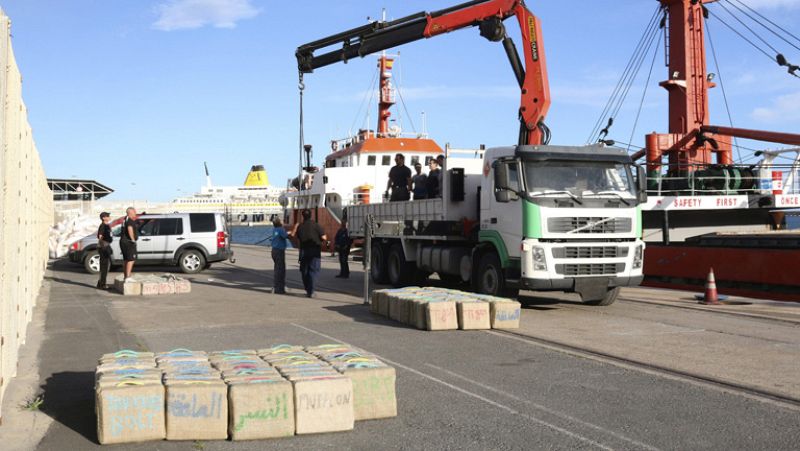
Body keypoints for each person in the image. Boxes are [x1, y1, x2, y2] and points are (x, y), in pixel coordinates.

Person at [294, 209, 327, 298]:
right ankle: (311, 291)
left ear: (302, 216)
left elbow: (297, 237)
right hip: (314, 252)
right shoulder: (316, 225)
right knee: (313, 271)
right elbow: (324, 237)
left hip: (304, 251)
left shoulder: (300, 226)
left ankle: (307, 289)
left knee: (304, 271)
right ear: (311, 215)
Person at [270, 217, 289, 294]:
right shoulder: (281, 229)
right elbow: (285, 236)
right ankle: (278, 288)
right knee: (280, 270)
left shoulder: (275, 229)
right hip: (279, 251)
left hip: (274, 250)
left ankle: (279, 286)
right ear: (279, 222)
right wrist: (291, 232)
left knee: (277, 269)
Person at [120, 207, 138, 280]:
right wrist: (133, 239)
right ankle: (128, 277)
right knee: (131, 259)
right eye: (134, 212)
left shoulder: (125, 220)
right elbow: (129, 229)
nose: (135, 213)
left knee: (126, 259)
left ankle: (125, 277)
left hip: (123, 241)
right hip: (128, 242)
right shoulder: (130, 220)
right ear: (131, 212)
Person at [96, 212, 113, 289]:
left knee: (105, 266)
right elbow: (100, 236)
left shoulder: (107, 225)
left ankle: (100, 283)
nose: (109, 217)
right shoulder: (103, 226)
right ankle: (102, 284)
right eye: (107, 216)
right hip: (104, 247)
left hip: (106, 246)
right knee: (104, 267)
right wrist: (103, 247)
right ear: (103, 218)